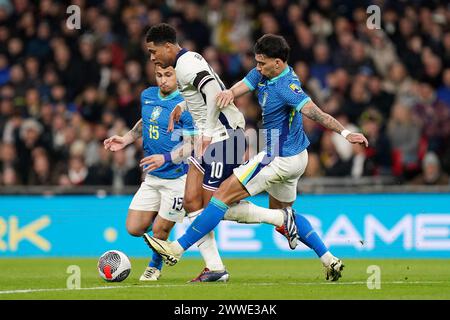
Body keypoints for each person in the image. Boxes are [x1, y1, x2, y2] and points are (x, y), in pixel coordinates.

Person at [144, 34, 369, 281]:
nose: (257, 67)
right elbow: (242, 85)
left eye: (262, 63)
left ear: (278, 63)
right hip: (297, 158)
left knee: (219, 200)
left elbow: (315, 113)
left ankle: (177, 248)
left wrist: (346, 132)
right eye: (257, 62)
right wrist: (225, 94)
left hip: (277, 157)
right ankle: (330, 259)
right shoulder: (265, 72)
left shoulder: (287, 88)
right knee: (284, 219)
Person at [143, 24, 303, 281]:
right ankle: (215, 268)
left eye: (153, 51)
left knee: (214, 206)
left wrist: (206, 129)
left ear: (168, 47)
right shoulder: (189, 59)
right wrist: (184, 105)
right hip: (207, 137)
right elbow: (207, 90)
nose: (152, 57)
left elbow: (213, 91)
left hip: (222, 137)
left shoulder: (185, 64)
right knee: (192, 201)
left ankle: (280, 217)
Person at [104, 65, 220, 282]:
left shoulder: (186, 105)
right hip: (152, 178)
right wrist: (126, 139)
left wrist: (165, 158)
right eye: (159, 75)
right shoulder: (147, 95)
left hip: (177, 178)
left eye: (168, 75)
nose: (163, 80)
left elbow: (192, 144)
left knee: (159, 230)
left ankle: (154, 266)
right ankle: (168, 217)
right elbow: (146, 122)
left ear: (178, 76)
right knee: (134, 228)